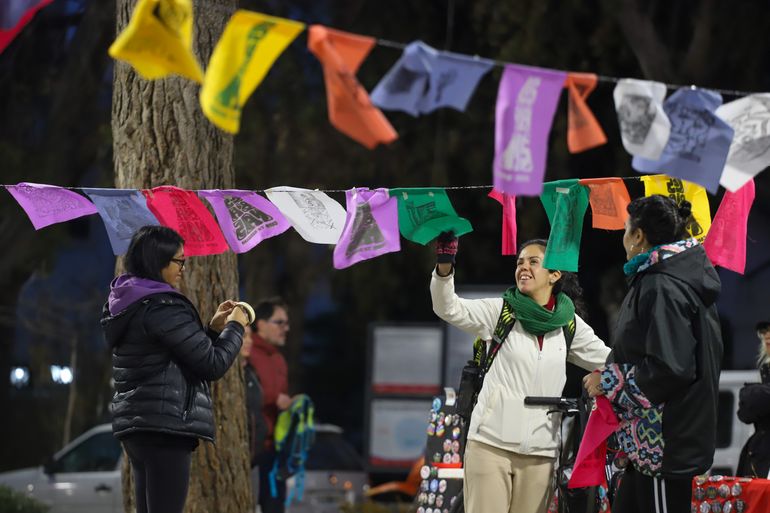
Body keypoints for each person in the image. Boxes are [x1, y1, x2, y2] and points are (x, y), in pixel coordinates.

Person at [431, 234, 610, 513]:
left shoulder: (568, 323)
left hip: (542, 452)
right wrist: (445, 267)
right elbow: (448, 308)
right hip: (490, 445)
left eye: (533, 262)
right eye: (519, 262)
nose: (523, 267)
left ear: (554, 274)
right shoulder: (501, 310)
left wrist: (608, 373)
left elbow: (610, 360)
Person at [583, 195, 723, 513]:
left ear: (638, 236)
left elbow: (670, 368)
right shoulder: (671, 279)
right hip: (649, 447)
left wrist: (607, 380)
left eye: (625, 230)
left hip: (663, 445)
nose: (622, 239)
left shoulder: (663, 285)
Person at [101, 225, 250, 513]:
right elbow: (211, 364)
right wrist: (236, 326)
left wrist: (212, 329)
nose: (183, 267)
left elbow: (175, 356)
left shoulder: (129, 302)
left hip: (139, 426)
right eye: (178, 261)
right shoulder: (162, 306)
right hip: (165, 428)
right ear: (157, 262)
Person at [248, 297, 292, 513]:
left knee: (275, 506)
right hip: (253, 448)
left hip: (276, 448)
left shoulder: (278, 358)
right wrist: (275, 399)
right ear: (261, 324)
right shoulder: (249, 353)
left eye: (287, 323)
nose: (286, 328)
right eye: (280, 322)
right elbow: (244, 396)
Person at [736, 318, 770, 478]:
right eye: (764, 331)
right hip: (760, 452)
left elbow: (753, 402)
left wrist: (749, 392)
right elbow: (745, 412)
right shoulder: (765, 369)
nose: (767, 335)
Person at [241, 323, 268, 505]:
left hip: (254, 459)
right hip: (242, 457)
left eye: (250, 336)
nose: (249, 341)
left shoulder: (251, 372)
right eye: (244, 336)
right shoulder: (228, 376)